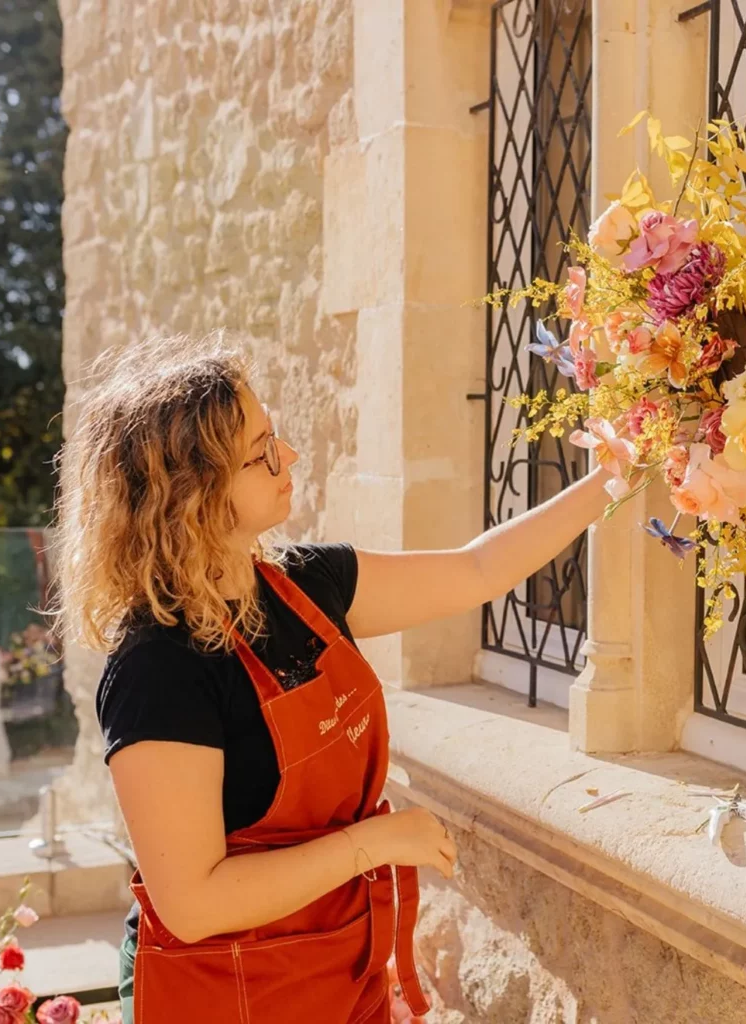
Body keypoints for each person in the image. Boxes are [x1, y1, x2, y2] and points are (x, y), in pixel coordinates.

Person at [50, 333, 612, 1024]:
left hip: (341, 964)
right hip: (228, 992)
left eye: (274, 436)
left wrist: (621, 470)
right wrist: (373, 843)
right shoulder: (156, 668)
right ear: (190, 493)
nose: (287, 457)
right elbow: (194, 905)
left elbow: (477, 571)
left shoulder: (306, 585)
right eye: (260, 454)